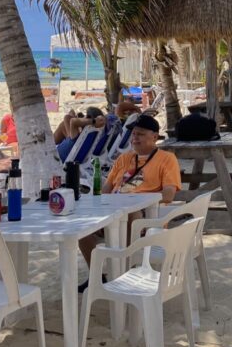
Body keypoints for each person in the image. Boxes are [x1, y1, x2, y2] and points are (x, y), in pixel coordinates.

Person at [77, 114, 181, 285]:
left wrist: (135, 201)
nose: (134, 137)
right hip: (114, 211)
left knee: (132, 215)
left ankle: (124, 272)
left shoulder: (166, 159)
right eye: (133, 134)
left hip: (145, 216)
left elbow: (169, 194)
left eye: (140, 134)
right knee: (83, 229)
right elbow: (106, 189)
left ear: (154, 137)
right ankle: (96, 277)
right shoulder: (124, 158)